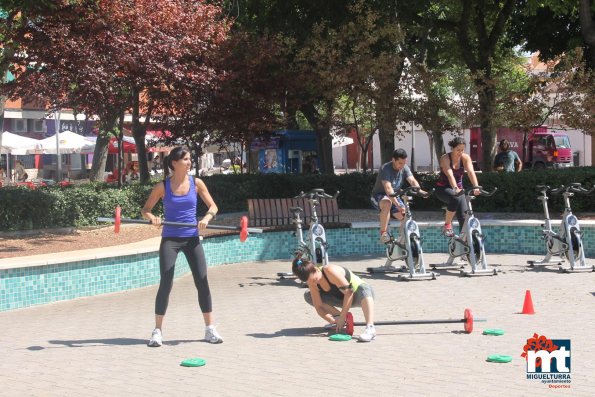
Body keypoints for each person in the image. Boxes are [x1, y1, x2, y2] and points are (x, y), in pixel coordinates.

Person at [141, 146, 223, 347]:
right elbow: (146, 210)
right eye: (185, 159)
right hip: (170, 238)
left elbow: (213, 206)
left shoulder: (197, 183)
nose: (189, 162)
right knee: (166, 282)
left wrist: (206, 217)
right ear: (174, 163)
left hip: (191, 238)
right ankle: (157, 331)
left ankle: (210, 329)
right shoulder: (163, 187)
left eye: (189, 159)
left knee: (202, 281)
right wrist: (153, 218)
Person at [292, 258, 377, 342]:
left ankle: (370, 328)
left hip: (358, 295)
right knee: (308, 295)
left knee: (364, 288)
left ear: (316, 269)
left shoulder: (329, 271)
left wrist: (343, 316)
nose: (314, 283)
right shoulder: (312, 282)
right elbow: (318, 306)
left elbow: (349, 292)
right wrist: (332, 320)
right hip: (342, 299)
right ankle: (339, 319)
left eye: (314, 280)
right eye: (310, 282)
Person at [371, 148, 426, 244]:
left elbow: (412, 181)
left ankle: (401, 241)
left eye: (404, 163)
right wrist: (398, 204)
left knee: (407, 217)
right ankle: (384, 234)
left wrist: (419, 190)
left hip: (394, 195)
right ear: (393, 160)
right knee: (387, 203)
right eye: (400, 163)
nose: (402, 166)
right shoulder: (385, 168)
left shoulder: (404, 167)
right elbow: (388, 189)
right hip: (379, 196)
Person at [435, 137, 480, 237]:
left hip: (459, 190)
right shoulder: (445, 158)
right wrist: (455, 188)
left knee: (464, 218)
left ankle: (464, 243)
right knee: (455, 197)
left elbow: (471, 172)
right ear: (452, 148)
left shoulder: (465, 158)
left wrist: (476, 186)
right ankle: (447, 224)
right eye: (458, 150)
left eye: (462, 150)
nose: (460, 152)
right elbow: (450, 175)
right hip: (443, 188)